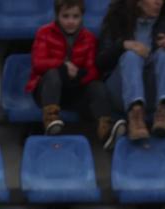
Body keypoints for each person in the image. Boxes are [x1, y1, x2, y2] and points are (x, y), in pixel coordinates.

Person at [27, 0, 124, 150]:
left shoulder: (89, 38)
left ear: (82, 17)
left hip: (75, 90)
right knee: (53, 74)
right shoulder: (44, 33)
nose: (70, 21)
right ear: (57, 15)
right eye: (65, 16)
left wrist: (78, 75)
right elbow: (38, 64)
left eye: (75, 16)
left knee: (97, 86)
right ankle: (50, 118)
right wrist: (62, 65)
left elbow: (93, 71)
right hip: (47, 91)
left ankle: (105, 130)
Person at [96, 0, 165, 142]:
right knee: (131, 56)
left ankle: (163, 111)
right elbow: (101, 63)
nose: (159, 2)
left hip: (152, 93)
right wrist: (123, 45)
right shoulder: (115, 20)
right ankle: (135, 114)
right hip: (120, 91)